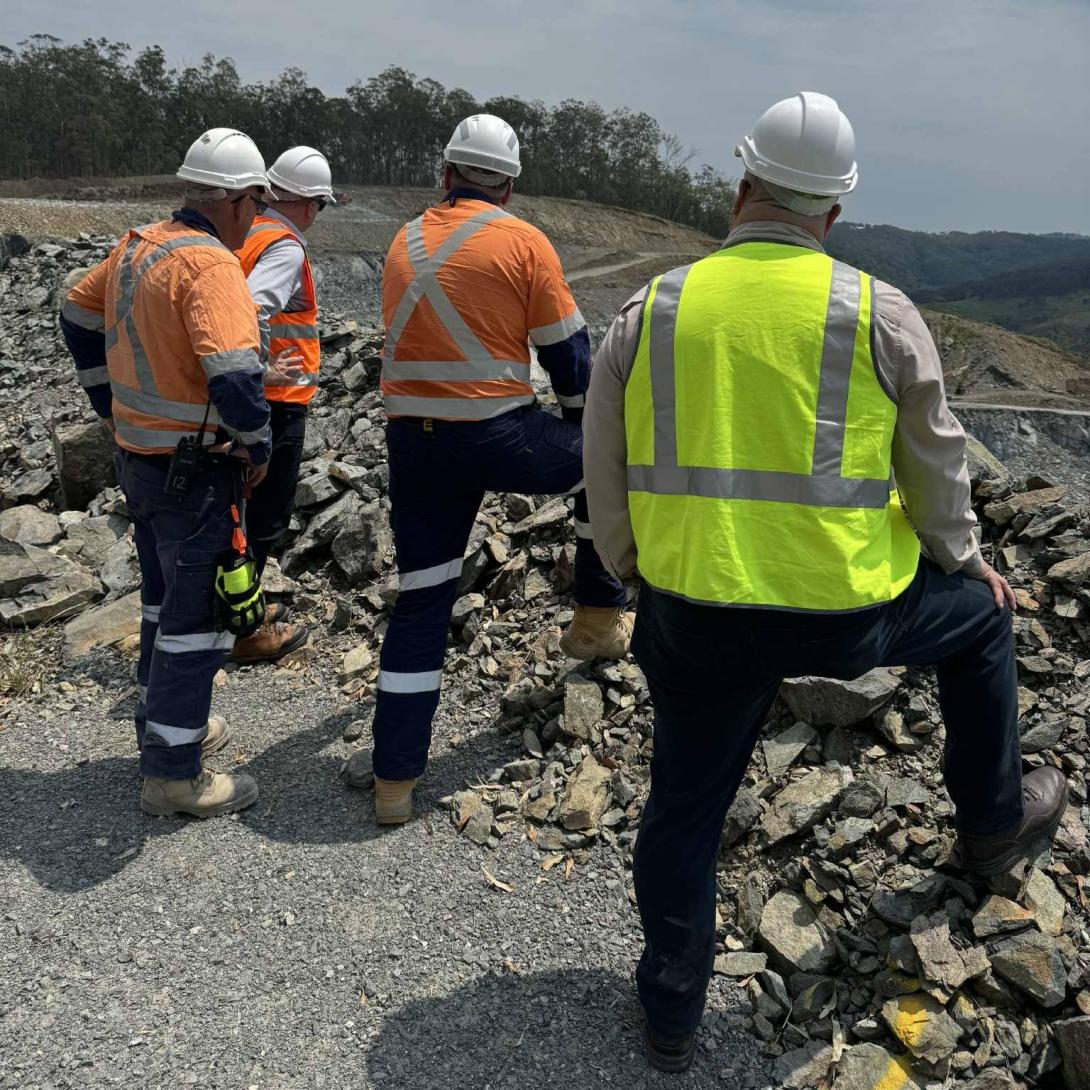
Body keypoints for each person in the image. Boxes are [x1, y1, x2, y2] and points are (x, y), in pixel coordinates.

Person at [583, 92, 1070, 1072]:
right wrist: (965, 559)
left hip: (694, 612)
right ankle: (990, 825)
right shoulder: (877, 312)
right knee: (980, 621)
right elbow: (936, 468)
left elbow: (603, 464)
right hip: (844, 615)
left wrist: (636, 571)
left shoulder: (652, 310)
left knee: (682, 810)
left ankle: (670, 1013)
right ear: (833, 213)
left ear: (741, 190)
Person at [372, 113, 631, 824]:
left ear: (446, 173)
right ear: (509, 187)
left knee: (422, 600)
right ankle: (596, 615)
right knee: (604, 464)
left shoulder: (403, 238)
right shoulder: (522, 242)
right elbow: (569, 355)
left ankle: (393, 783)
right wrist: (582, 425)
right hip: (498, 436)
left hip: (413, 442)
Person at [60, 128, 275, 818]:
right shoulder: (211, 267)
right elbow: (235, 376)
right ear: (239, 201)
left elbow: (75, 311)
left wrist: (107, 403)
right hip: (196, 473)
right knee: (196, 622)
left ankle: (164, 733)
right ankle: (173, 778)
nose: (257, 216)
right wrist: (259, 445)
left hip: (142, 463)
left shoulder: (138, 246)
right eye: (257, 203)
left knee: (162, 606)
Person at [230, 146, 337, 663]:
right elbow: (249, 310)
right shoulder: (284, 247)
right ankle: (245, 631)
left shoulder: (246, 232)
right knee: (265, 519)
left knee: (238, 510)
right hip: (275, 400)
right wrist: (260, 367)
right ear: (312, 203)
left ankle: (238, 609)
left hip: (240, 395)